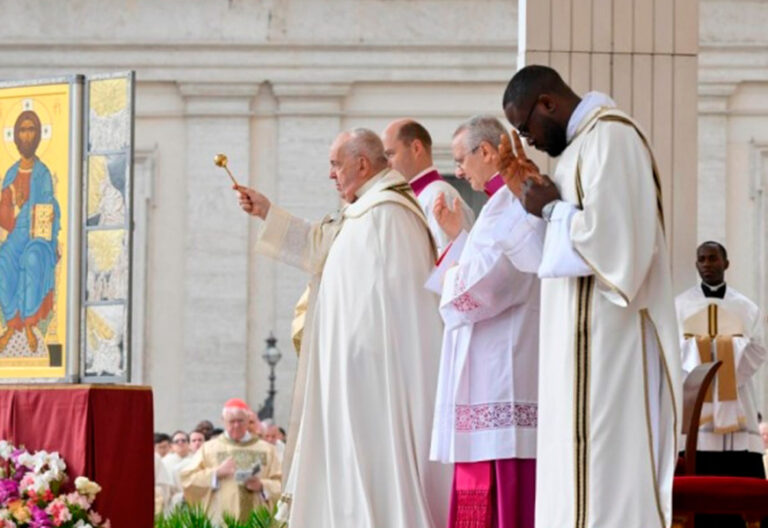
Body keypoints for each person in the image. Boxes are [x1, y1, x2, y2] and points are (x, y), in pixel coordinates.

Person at [235, 128, 450, 527]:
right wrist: (267, 211)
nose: (330, 174)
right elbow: (320, 245)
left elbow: (385, 308)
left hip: (374, 382)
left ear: (363, 164)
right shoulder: (364, 210)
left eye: (336, 164)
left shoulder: (389, 215)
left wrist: (352, 363)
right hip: (348, 378)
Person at [499, 65, 682, 528]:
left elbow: (618, 249)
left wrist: (553, 209)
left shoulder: (612, 139)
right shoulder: (573, 153)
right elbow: (552, 260)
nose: (529, 140)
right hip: (577, 352)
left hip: (612, 348)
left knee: (607, 481)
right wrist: (528, 200)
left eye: (526, 127)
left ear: (548, 103)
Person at [430, 115, 543, 528]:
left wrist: (453, 277)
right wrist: (459, 237)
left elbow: (492, 283)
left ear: (488, 151)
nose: (457, 170)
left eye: (461, 159)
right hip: (485, 371)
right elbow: (478, 265)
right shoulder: (496, 207)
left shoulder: (517, 203)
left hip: (504, 370)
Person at [675, 241, 767, 527]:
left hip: (735, 400)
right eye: (701, 259)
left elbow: (760, 348)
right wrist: (702, 356)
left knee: (739, 487)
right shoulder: (680, 305)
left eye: (713, 258)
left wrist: (729, 377)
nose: (707, 264)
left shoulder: (745, 307)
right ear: (696, 264)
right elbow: (671, 347)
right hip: (696, 405)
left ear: (726, 263)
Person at [0, 110, 61, 354]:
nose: (27, 135)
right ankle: (12, 324)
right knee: (3, 259)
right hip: (17, 234)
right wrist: (13, 205)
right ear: (15, 136)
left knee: (31, 259)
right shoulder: (11, 174)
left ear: (37, 136)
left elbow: (48, 208)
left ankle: (28, 324)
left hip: (38, 237)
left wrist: (42, 230)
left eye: (31, 129)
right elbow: (4, 217)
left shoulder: (43, 173)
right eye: (23, 130)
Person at [180, 398, 282, 524]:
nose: (236, 425)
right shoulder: (209, 449)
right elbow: (187, 480)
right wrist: (215, 473)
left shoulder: (267, 450)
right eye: (231, 421)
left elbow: (282, 484)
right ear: (223, 421)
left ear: (248, 421)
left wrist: (262, 486)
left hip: (258, 519)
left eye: (240, 421)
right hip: (220, 519)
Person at [382, 118, 474, 252]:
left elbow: (449, 261)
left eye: (390, 154)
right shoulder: (417, 195)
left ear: (416, 148)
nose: (387, 164)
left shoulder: (440, 196)